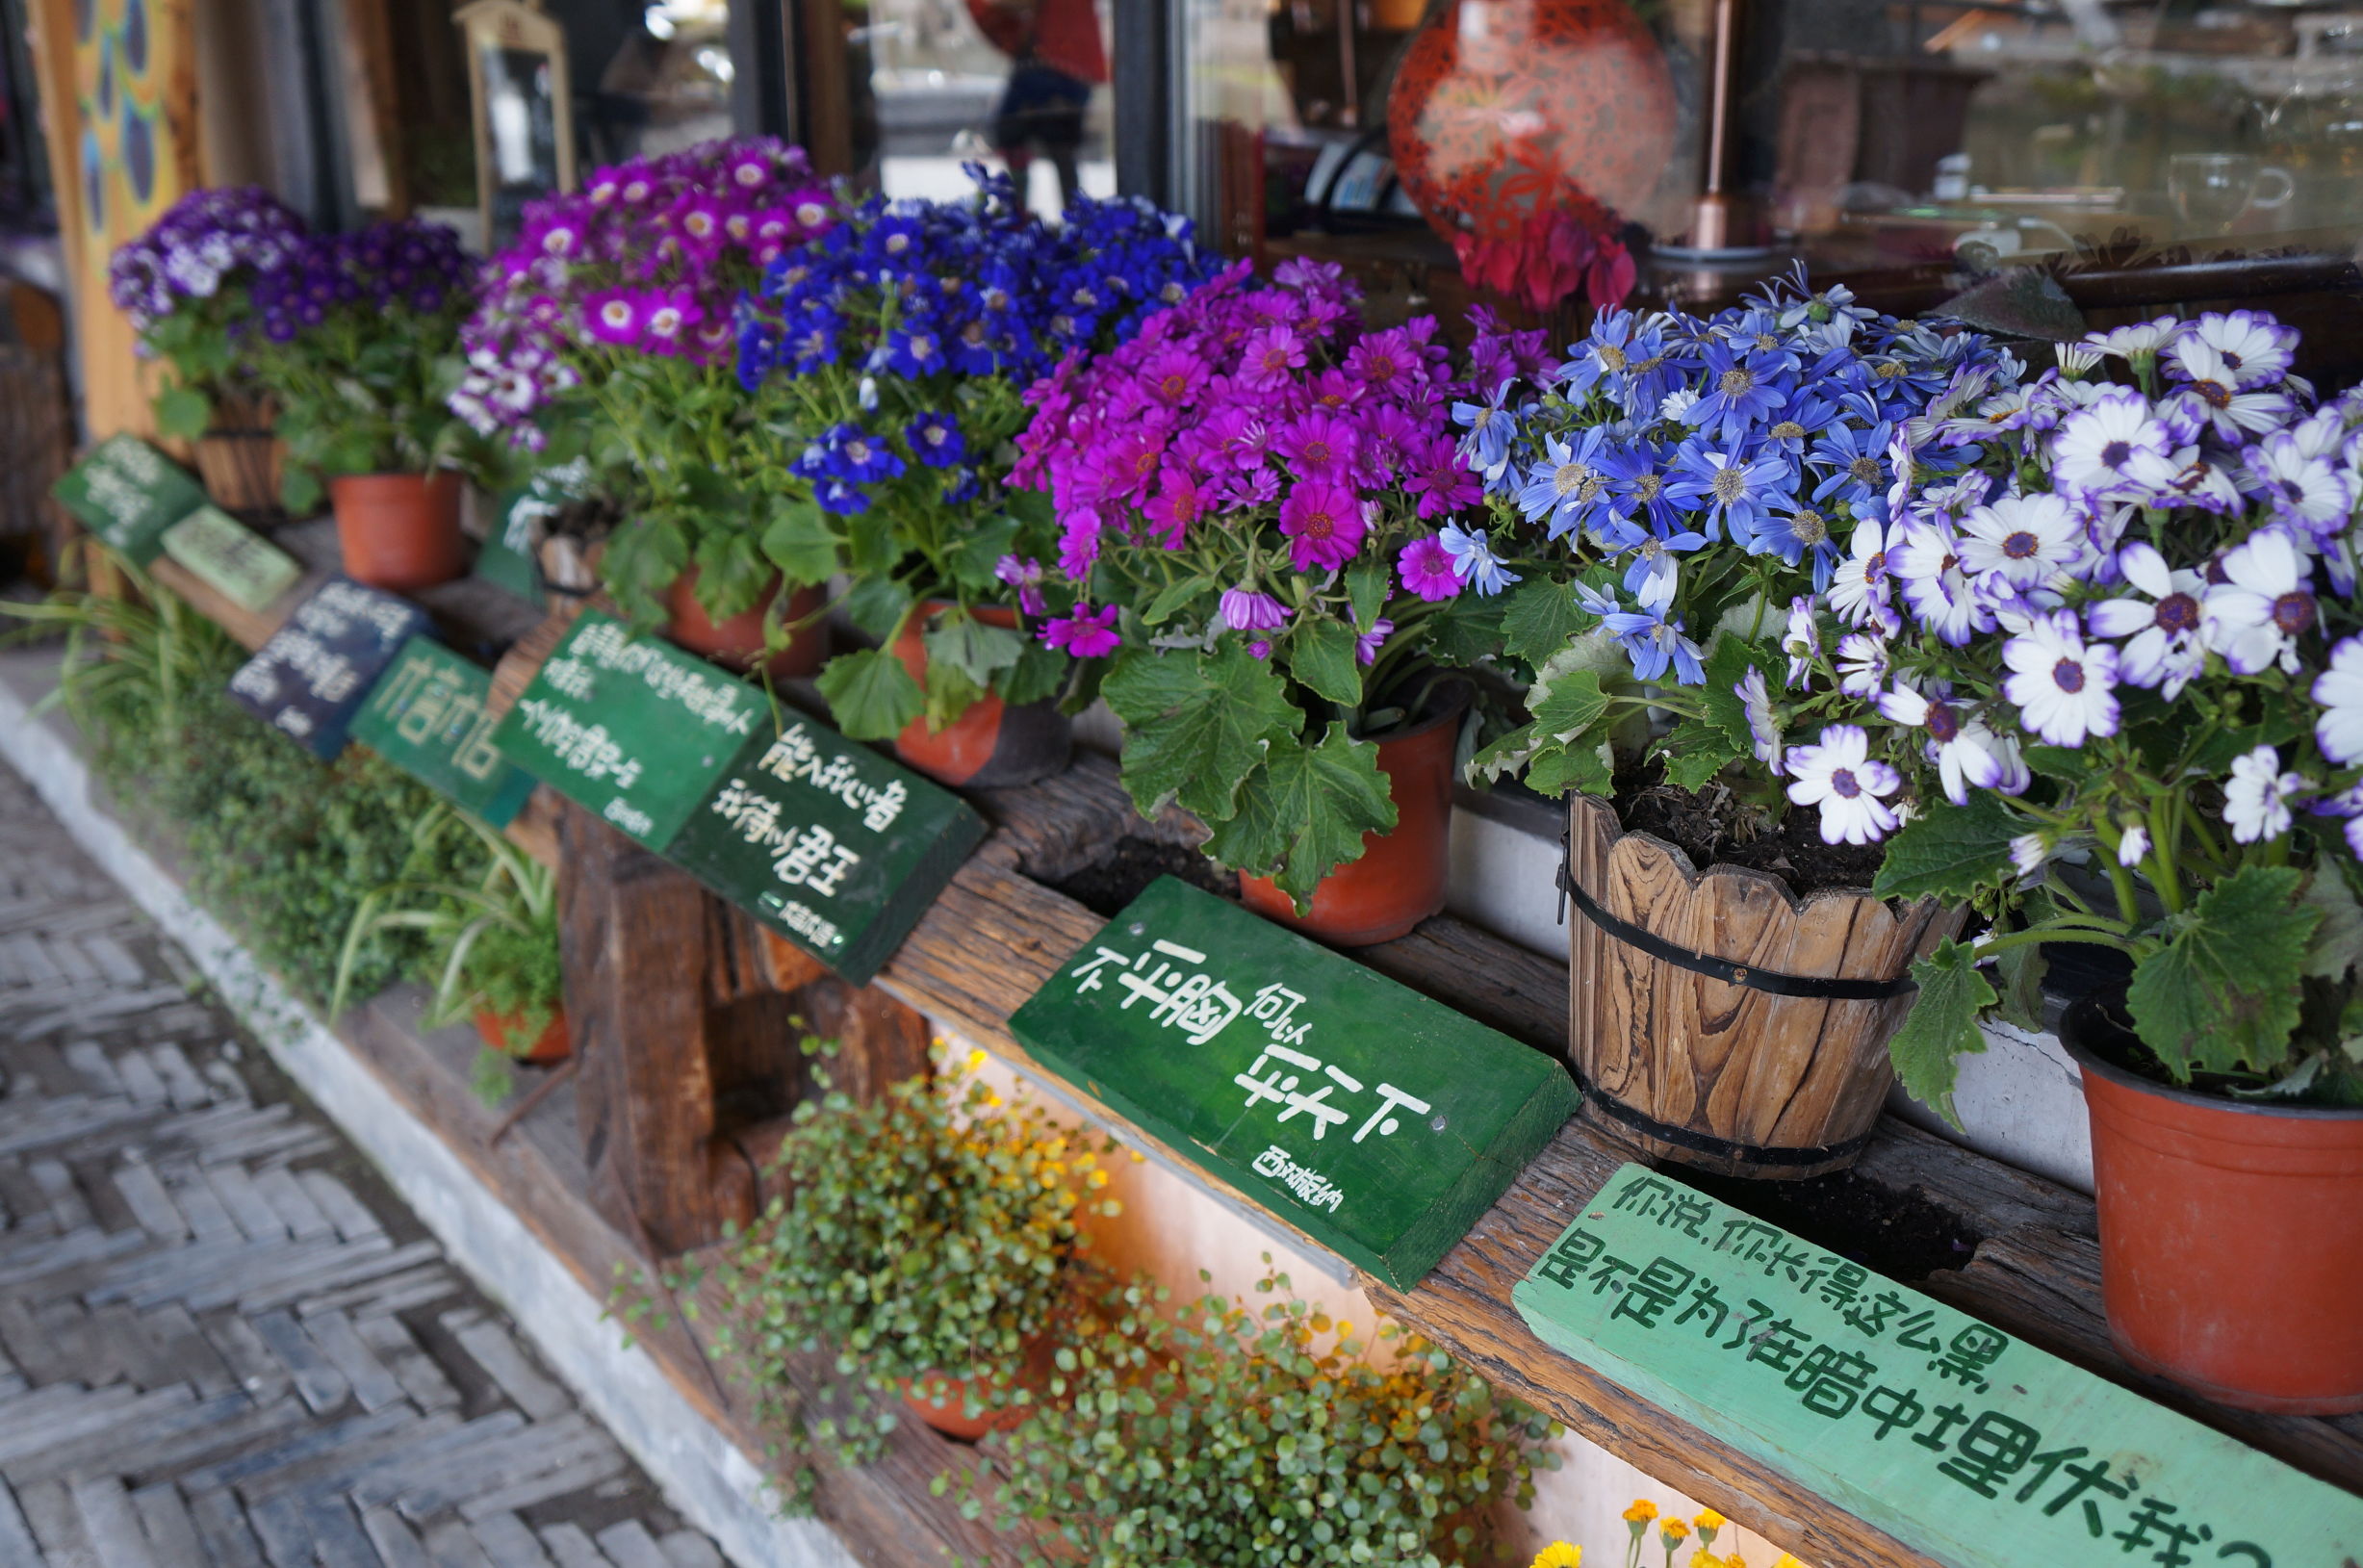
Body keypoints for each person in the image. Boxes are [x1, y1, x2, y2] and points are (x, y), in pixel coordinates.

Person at [963, 0, 1107, 212]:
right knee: (1026, 140)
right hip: (1050, 64)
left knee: (1053, 142)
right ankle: (1024, 213)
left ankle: (1038, 215)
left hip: (1058, 66)